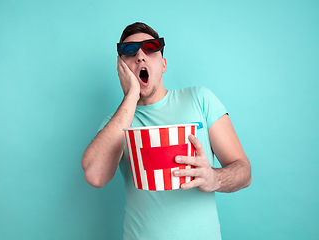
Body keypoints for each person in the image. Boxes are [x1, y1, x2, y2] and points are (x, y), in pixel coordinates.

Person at [82, 22, 251, 240]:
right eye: (129, 51)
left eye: (150, 47)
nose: (141, 56)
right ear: (121, 69)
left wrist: (214, 179)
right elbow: (95, 176)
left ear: (163, 64)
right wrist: (131, 96)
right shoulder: (116, 123)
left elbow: (244, 171)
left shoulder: (200, 99)